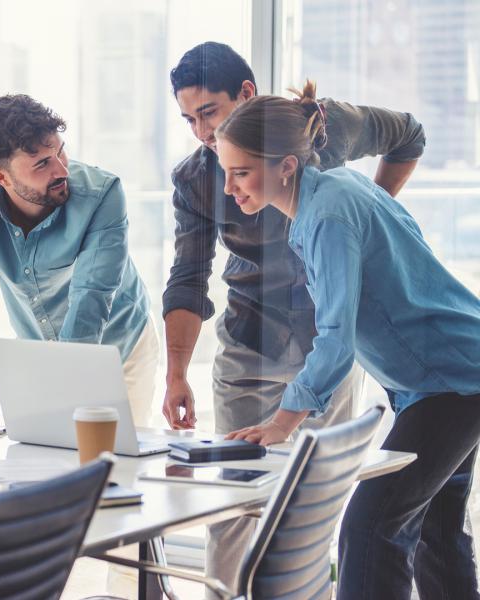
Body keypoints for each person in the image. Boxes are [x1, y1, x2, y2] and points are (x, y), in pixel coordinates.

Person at [160, 41, 426, 593]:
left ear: (247, 94)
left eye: (208, 112)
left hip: (326, 348)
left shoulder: (323, 128)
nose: (201, 132)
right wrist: (176, 373)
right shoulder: (195, 179)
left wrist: (375, 208)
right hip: (248, 345)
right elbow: (188, 278)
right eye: (188, 119)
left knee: (315, 509)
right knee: (234, 510)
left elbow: (409, 134)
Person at [216, 81, 480, 599]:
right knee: (436, 531)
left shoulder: (327, 216)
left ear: (286, 165)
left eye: (241, 172)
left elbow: (335, 336)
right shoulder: (339, 188)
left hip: (452, 383)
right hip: (448, 375)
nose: (230, 187)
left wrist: (282, 421)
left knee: (371, 526)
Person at [0, 94, 158, 426]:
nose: (62, 169)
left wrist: (63, 390)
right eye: (42, 163)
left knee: (112, 461)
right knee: (43, 463)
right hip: (42, 353)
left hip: (119, 347)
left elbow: (91, 297)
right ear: (1, 177)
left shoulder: (103, 194)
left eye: (60, 151)